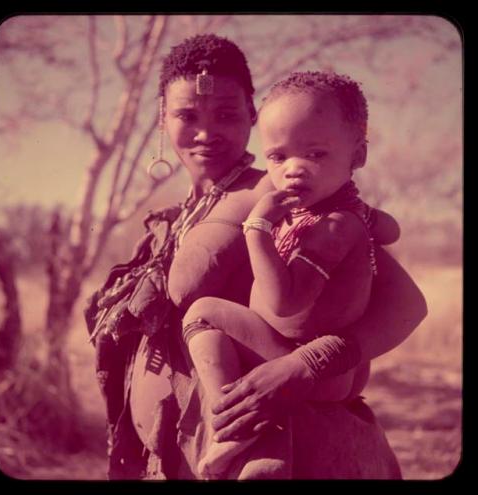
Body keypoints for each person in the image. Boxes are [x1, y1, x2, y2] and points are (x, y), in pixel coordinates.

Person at [84, 34, 427, 480]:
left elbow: (407, 304)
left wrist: (307, 363)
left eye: (227, 114)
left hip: (286, 445)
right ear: (162, 121)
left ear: (252, 114)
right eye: (187, 115)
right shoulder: (174, 219)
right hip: (185, 451)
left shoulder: (294, 198)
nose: (206, 133)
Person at [181, 70, 400, 479]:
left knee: (203, 312)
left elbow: (285, 302)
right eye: (279, 157)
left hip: (308, 362)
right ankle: (259, 446)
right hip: (318, 364)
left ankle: (230, 425)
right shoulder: (339, 215)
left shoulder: (332, 225)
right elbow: (391, 229)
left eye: (315, 154)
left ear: (358, 155)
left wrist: (256, 232)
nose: (294, 169)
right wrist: (370, 217)